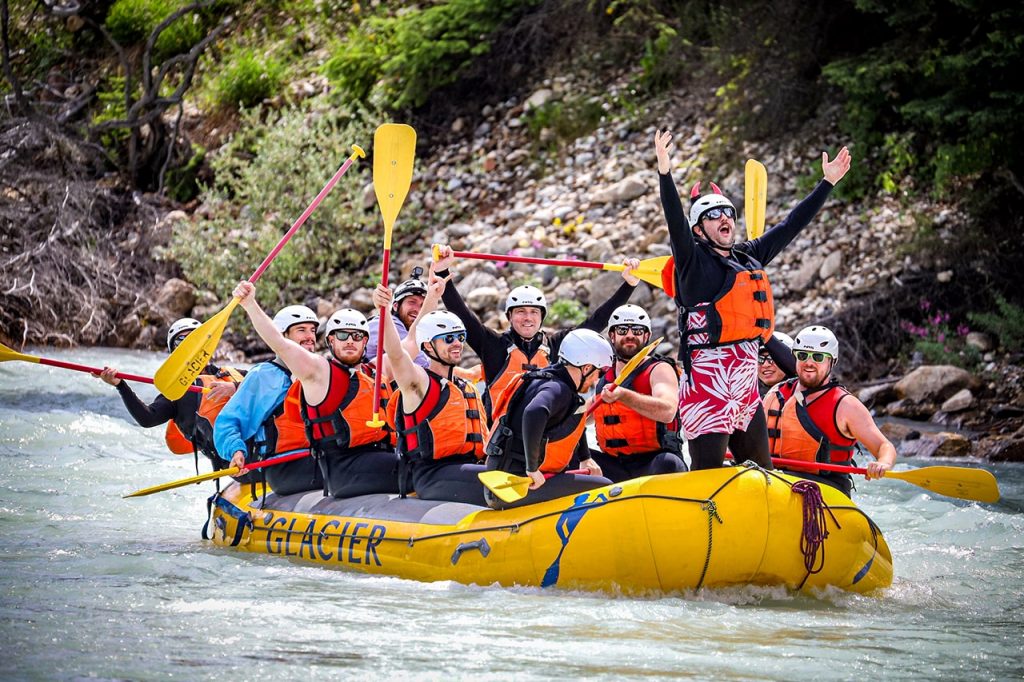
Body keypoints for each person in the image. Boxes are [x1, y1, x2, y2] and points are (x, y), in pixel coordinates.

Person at [655, 128, 852, 471]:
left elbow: (791, 225)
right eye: (714, 216)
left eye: (729, 213)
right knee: (708, 477)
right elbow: (674, 221)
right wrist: (665, 173)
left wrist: (827, 183)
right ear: (698, 230)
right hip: (708, 388)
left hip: (746, 388)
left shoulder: (749, 256)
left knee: (762, 472)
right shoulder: (692, 262)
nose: (726, 219)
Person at [432, 244, 642, 422]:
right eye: (521, 312)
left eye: (534, 312)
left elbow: (596, 321)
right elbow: (461, 313)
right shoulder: (493, 345)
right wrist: (442, 273)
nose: (527, 318)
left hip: (541, 441)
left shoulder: (557, 346)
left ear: (542, 317)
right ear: (509, 316)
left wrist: (628, 285)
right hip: (500, 443)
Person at [233, 281, 399, 498]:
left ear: (365, 341)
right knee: (409, 467)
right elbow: (279, 343)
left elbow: (406, 349)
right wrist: (250, 304)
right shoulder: (319, 372)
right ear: (330, 341)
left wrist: (388, 308)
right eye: (342, 335)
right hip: (332, 466)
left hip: (373, 455)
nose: (350, 341)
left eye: (357, 336)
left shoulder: (376, 370)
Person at [373, 283, 489, 505]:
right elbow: (396, 355)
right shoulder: (418, 382)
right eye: (448, 339)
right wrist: (384, 311)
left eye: (459, 338)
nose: (456, 344)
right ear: (427, 346)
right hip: (432, 475)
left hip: (467, 466)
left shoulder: (466, 387)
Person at [483, 328, 613, 509]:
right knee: (606, 488)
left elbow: (572, 419)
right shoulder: (558, 390)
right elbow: (534, 412)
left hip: (502, 481)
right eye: (598, 372)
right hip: (512, 488)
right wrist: (532, 468)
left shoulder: (550, 380)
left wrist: (585, 457)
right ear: (586, 368)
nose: (597, 380)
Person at [763, 325, 896, 496]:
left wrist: (883, 463)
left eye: (818, 357)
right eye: (803, 355)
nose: (809, 362)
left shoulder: (846, 405)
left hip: (823, 492)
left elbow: (884, 446)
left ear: (832, 361)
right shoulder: (775, 394)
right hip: (773, 483)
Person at [98, 318, 241, 472]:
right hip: (236, 463)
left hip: (262, 449)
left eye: (195, 338)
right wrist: (120, 385)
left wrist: (235, 386)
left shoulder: (231, 374)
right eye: (181, 342)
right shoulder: (177, 393)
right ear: (174, 352)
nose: (190, 347)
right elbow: (147, 418)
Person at [214, 303, 321, 496]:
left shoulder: (321, 372)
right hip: (282, 464)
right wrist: (236, 451)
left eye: (312, 330)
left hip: (315, 457)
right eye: (301, 330)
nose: (310, 337)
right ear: (282, 336)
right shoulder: (264, 376)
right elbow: (227, 423)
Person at [589, 304, 687, 482]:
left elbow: (667, 412)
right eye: (622, 330)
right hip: (616, 465)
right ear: (612, 335)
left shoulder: (659, 369)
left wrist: (623, 395)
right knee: (574, 458)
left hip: (654, 462)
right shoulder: (603, 377)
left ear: (647, 336)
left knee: (669, 463)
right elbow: (581, 416)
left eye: (637, 330)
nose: (630, 335)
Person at [365, 266, 430, 369]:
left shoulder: (411, 333)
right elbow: (423, 364)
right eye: (412, 302)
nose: (418, 310)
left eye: (422, 305)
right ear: (395, 306)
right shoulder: (388, 323)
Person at [758, 331, 796, 396]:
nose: (765, 365)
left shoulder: (806, 389)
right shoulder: (747, 398)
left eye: (771, 358)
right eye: (759, 359)